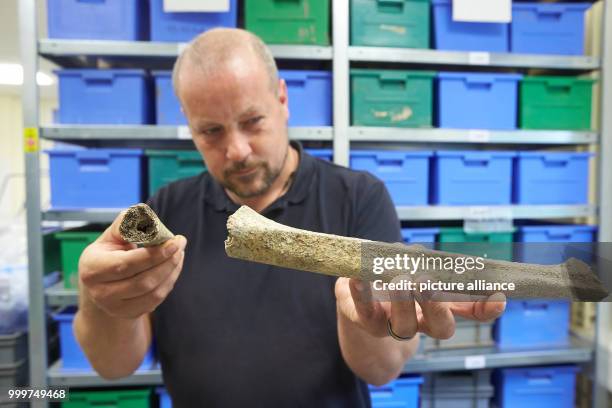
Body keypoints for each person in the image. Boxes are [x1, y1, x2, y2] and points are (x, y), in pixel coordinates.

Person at [74, 28, 505, 407]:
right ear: (188, 125)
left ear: (282, 99)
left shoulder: (358, 197)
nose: (237, 150)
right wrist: (100, 301)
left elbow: (382, 371)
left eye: (252, 121)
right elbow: (114, 367)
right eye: (212, 131)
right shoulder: (165, 214)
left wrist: (361, 320)